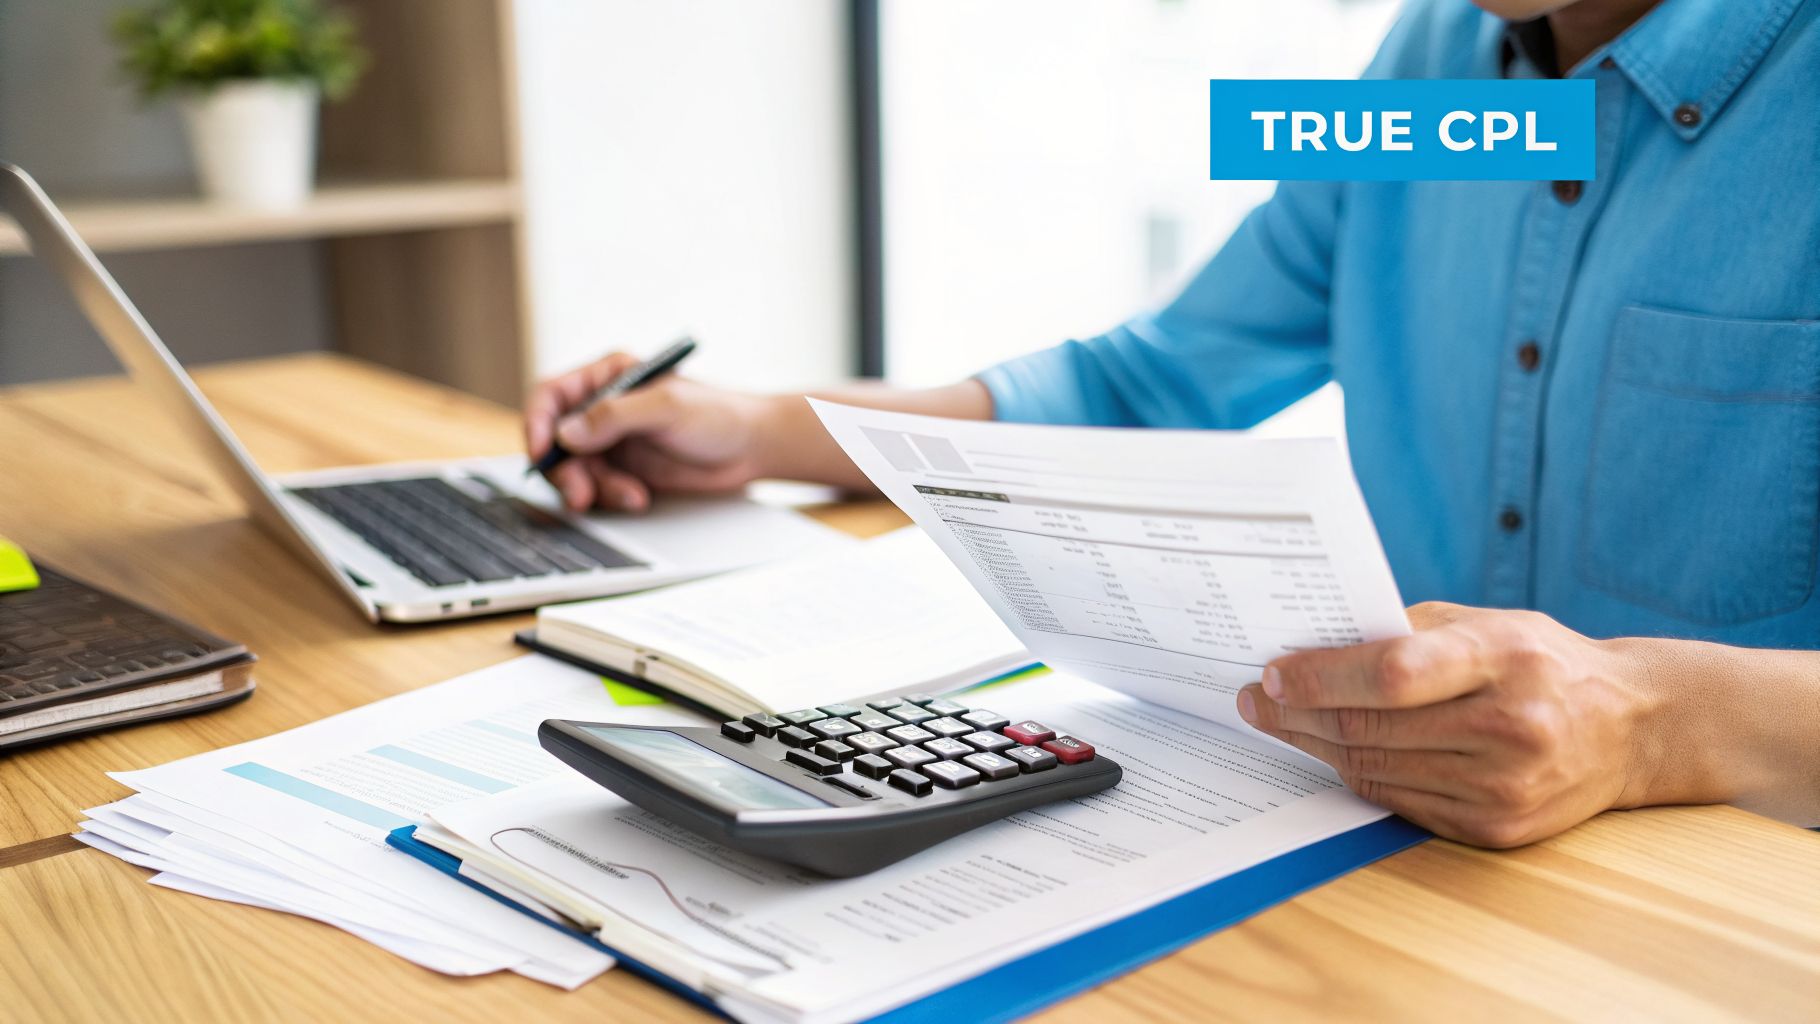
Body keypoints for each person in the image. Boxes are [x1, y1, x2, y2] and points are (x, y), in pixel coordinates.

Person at [523, 0, 1820, 847]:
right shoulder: (1438, 59)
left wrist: (1651, 717)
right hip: (1380, 850)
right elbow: (1148, 386)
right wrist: (760, 430)